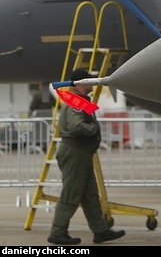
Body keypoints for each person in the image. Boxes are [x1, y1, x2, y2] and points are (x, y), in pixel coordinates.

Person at [47, 68, 125, 245]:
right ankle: (58, 232)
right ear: (81, 83)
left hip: (81, 153)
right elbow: (77, 127)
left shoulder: (79, 100)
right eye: (89, 80)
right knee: (71, 193)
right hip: (76, 152)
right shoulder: (76, 102)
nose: (92, 83)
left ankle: (101, 231)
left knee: (90, 194)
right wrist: (94, 130)